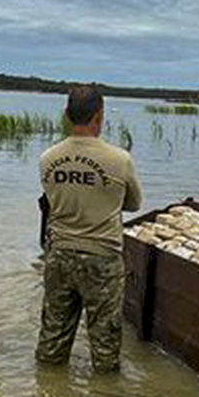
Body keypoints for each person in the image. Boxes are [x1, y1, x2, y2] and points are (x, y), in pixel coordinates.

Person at [36, 85, 142, 372]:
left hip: (59, 255)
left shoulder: (48, 158)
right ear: (100, 116)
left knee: (52, 341)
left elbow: (53, 198)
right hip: (102, 259)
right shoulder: (120, 160)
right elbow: (133, 204)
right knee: (105, 346)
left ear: (67, 115)